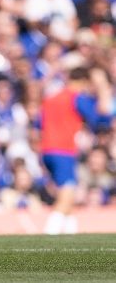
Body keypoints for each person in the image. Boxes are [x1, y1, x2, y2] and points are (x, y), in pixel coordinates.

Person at [39, 67, 113, 234]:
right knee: (66, 194)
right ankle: (48, 236)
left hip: (46, 150)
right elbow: (100, 120)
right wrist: (103, 91)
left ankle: (70, 234)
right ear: (83, 81)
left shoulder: (51, 98)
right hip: (63, 150)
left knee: (69, 196)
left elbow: (39, 124)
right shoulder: (76, 98)